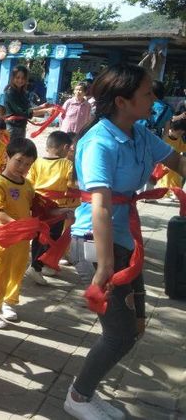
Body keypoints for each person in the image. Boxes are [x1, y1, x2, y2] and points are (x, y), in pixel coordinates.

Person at [64, 63, 186, 420]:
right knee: (118, 335)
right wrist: (104, 267)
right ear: (122, 101)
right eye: (147, 94)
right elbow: (100, 207)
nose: (154, 100)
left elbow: (178, 161)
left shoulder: (139, 133)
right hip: (96, 243)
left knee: (135, 327)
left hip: (125, 242)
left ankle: (86, 391)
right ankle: (78, 396)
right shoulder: (99, 142)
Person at [0, 137, 37, 329]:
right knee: (0, 271)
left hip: (22, 239)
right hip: (4, 237)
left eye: (27, 164)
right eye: (19, 161)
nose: (22, 167)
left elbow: (33, 206)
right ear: (6, 157)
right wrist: (17, 225)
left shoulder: (27, 185)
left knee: (17, 270)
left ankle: (9, 302)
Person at [25, 131, 76, 286]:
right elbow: (72, 185)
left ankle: (42, 265)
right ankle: (36, 267)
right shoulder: (67, 164)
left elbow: (29, 183)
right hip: (56, 207)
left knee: (39, 235)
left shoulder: (37, 162)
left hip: (38, 204)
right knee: (51, 237)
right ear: (65, 147)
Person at [3, 65, 50, 139]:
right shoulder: (10, 92)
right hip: (12, 128)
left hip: (21, 127)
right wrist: (46, 111)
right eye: (17, 77)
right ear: (12, 78)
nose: (20, 80)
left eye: (23, 78)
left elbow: (26, 109)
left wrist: (42, 107)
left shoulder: (22, 92)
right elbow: (23, 112)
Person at [156, 119, 186, 196]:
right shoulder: (165, 138)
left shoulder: (178, 139)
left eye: (182, 133)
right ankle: (165, 193)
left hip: (175, 162)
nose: (180, 135)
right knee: (166, 179)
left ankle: (176, 193)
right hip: (165, 164)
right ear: (171, 130)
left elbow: (181, 147)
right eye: (179, 133)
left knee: (176, 179)